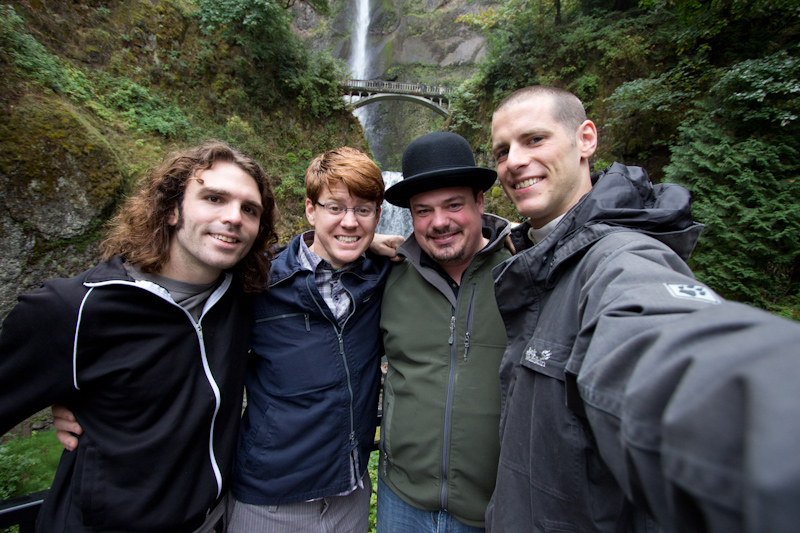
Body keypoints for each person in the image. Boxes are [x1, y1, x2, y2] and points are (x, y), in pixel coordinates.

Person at [486, 85, 800, 531]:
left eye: (535, 139)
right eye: (502, 151)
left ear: (586, 139)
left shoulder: (619, 259)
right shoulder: (538, 258)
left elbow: (659, 344)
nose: (514, 161)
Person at [0, 141, 279, 532]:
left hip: (214, 522)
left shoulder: (244, 295)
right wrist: (62, 388)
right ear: (170, 210)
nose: (234, 217)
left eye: (249, 209)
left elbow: (314, 251)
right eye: (214, 198)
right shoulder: (73, 310)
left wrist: (362, 240)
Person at [227, 147, 392, 532]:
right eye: (335, 208)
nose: (349, 222)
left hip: (350, 496)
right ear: (310, 209)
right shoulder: (257, 282)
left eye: (363, 210)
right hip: (269, 499)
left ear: (377, 214)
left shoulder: (384, 276)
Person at [377, 131, 513, 532]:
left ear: (480, 201)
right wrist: (363, 242)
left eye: (453, 205)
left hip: (493, 509)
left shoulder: (524, 272)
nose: (439, 223)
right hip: (399, 499)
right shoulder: (388, 275)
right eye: (423, 211)